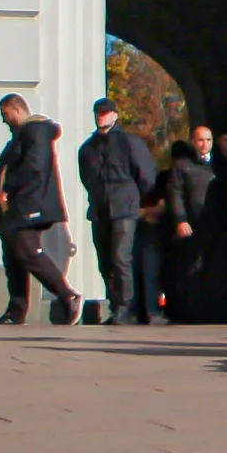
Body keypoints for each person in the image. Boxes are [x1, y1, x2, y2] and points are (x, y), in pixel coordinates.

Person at [0, 94, 79, 325]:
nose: (3, 120)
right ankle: (15, 311)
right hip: (16, 208)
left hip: (29, 205)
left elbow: (33, 165)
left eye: (5, 114)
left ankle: (67, 294)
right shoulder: (21, 136)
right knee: (13, 258)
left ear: (16, 109)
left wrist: (8, 188)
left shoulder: (35, 132)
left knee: (28, 252)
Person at [75, 100, 155, 327]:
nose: (101, 116)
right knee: (105, 262)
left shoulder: (129, 142)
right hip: (100, 210)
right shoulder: (87, 148)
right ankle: (115, 304)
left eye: (106, 113)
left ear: (115, 115)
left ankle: (125, 308)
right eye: (98, 113)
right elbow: (86, 178)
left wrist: (135, 199)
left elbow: (146, 175)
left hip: (124, 208)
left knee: (121, 259)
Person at [161, 125, 222, 323]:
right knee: (193, 268)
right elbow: (175, 194)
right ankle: (193, 311)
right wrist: (181, 219)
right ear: (193, 142)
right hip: (193, 225)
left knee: (216, 267)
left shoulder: (221, 164)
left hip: (216, 224)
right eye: (200, 140)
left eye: (208, 140)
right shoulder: (182, 165)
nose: (205, 144)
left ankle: (215, 309)